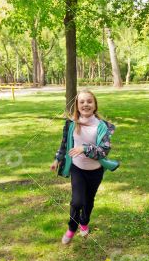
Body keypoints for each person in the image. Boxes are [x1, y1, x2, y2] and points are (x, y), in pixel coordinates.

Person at [50, 89, 119, 244]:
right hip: (78, 168)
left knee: (88, 200)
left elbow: (103, 151)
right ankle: (71, 228)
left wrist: (85, 148)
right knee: (77, 201)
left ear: (95, 105)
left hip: (95, 171)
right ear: (77, 105)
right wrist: (57, 159)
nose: (85, 104)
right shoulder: (71, 124)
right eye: (82, 102)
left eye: (89, 101)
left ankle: (84, 222)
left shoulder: (103, 127)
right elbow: (64, 145)